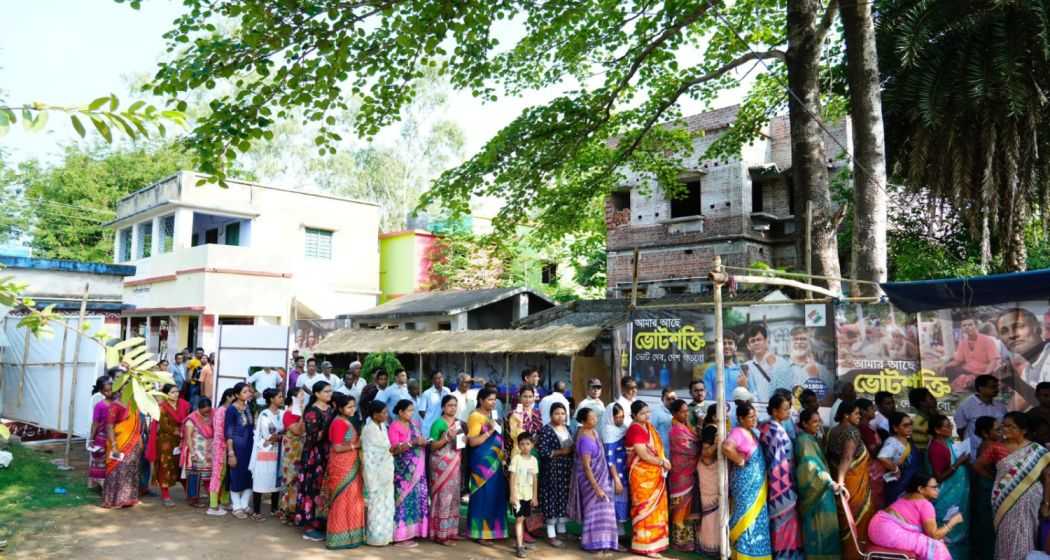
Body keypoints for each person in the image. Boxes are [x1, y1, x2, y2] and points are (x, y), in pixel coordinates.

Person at [994, 411, 1050, 560]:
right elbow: (979, 466)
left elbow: (1047, 476)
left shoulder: (1037, 450)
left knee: (1026, 531)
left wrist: (1046, 503)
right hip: (1004, 498)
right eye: (1004, 426)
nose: (1005, 429)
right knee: (1006, 533)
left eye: (1010, 426)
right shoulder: (998, 448)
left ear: (1023, 430)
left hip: (1029, 499)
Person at [867, 475, 960, 560]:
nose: (938, 490)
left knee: (935, 542)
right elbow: (934, 535)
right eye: (934, 487)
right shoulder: (925, 504)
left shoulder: (905, 496)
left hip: (875, 526)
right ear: (921, 489)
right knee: (936, 547)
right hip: (886, 531)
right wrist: (952, 522)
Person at [723, 402, 773, 559]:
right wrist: (740, 461)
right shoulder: (738, 432)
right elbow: (726, 447)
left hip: (757, 484)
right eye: (750, 417)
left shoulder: (753, 432)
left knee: (758, 517)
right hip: (745, 483)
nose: (754, 419)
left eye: (755, 416)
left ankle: (756, 553)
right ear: (741, 418)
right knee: (745, 516)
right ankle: (742, 554)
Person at [826, 400, 873, 560]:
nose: (860, 416)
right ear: (846, 415)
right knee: (856, 521)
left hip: (841, 481)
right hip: (852, 486)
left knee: (844, 522)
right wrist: (840, 482)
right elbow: (846, 458)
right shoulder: (852, 432)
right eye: (856, 413)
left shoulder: (832, 431)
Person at [794, 408, 843, 560]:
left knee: (827, 532)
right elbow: (810, 467)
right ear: (804, 423)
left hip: (823, 491)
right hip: (817, 494)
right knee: (821, 532)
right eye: (814, 421)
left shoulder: (811, 439)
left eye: (819, 421)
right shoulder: (804, 441)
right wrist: (829, 482)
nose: (819, 424)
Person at [759, 393, 803, 559]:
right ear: (775, 411)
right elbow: (779, 464)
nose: (789, 412)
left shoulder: (767, 426)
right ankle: (785, 555)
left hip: (775, 481)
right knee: (784, 522)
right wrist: (785, 489)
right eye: (785, 409)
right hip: (781, 486)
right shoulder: (776, 431)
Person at [571, 406, 620, 554]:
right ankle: (591, 543)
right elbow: (586, 467)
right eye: (592, 418)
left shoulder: (594, 432)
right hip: (590, 480)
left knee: (606, 510)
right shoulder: (584, 438)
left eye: (595, 417)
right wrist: (597, 488)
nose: (595, 420)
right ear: (584, 421)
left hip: (602, 478)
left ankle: (606, 541)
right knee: (593, 510)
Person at [626, 400, 670, 557]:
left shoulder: (649, 427)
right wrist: (662, 462)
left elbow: (658, 449)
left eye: (648, 412)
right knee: (645, 509)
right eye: (643, 413)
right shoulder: (635, 429)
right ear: (634, 415)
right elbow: (643, 455)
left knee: (656, 509)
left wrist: (663, 460)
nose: (647, 415)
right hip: (642, 476)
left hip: (655, 473)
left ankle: (657, 542)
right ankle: (645, 546)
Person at [467, 387, 509, 542]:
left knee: (495, 494)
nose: (493, 402)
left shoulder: (493, 415)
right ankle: (479, 533)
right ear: (481, 400)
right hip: (482, 462)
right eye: (490, 399)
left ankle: (494, 531)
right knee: (482, 495)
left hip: (496, 461)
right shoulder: (475, 417)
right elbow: (472, 441)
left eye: (494, 399)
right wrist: (490, 430)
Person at [295, 380, 336, 541]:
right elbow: (313, 437)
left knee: (324, 489)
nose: (329, 394)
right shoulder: (312, 411)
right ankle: (309, 526)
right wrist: (327, 430)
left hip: (328, 453)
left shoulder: (331, 409)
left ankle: (321, 522)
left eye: (330, 391)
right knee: (312, 488)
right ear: (317, 394)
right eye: (326, 391)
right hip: (314, 454)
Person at [927, 413, 971, 559]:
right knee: (948, 525)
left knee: (959, 525)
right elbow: (939, 476)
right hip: (947, 496)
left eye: (950, 425)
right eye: (947, 426)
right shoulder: (937, 448)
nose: (951, 427)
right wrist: (958, 463)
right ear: (937, 430)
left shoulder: (949, 442)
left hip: (958, 495)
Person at [325, 393, 365, 549]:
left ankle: (350, 536)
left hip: (351, 463)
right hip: (342, 466)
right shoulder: (339, 423)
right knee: (342, 500)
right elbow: (337, 447)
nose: (353, 409)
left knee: (352, 500)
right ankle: (338, 537)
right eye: (349, 407)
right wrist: (357, 445)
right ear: (340, 408)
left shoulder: (345, 421)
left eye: (354, 406)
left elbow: (347, 441)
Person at [388, 398, 429, 546]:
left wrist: (423, 441)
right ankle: (400, 536)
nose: (412, 413)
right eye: (409, 410)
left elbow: (418, 440)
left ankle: (415, 531)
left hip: (419, 469)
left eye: (413, 410)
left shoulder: (414, 424)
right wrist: (412, 443)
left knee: (417, 498)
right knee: (403, 500)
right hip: (403, 471)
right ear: (400, 412)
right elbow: (394, 449)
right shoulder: (394, 426)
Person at [537, 401, 574, 547]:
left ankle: (562, 530)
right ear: (551, 415)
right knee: (552, 498)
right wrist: (561, 452)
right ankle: (551, 534)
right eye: (557, 413)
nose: (560, 416)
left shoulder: (568, 428)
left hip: (565, 470)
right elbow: (543, 451)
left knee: (563, 498)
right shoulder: (546, 430)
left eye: (563, 413)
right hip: (551, 470)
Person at [147, 383, 189, 507]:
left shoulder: (184, 405)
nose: (175, 394)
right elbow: (164, 425)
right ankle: (166, 495)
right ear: (166, 394)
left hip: (181, 440)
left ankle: (189, 493)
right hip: (165, 440)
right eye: (172, 392)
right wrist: (179, 432)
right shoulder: (161, 407)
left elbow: (187, 420)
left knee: (181, 466)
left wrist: (184, 433)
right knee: (165, 466)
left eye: (177, 391)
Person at [972, 415, 1008, 559]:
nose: (1000, 432)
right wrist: (993, 479)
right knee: (988, 526)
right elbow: (978, 467)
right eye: (997, 430)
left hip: (986, 487)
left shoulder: (989, 444)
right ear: (985, 433)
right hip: (987, 488)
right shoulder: (989, 446)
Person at [428, 394, 462, 546]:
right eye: (449, 405)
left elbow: (461, 445)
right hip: (440, 465)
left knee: (454, 496)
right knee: (443, 496)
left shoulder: (458, 423)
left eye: (455, 405)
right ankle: (440, 534)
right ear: (443, 407)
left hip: (455, 464)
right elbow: (432, 446)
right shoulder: (438, 423)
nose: (453, 408)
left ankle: (451, 531)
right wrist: (447, 438)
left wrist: (462, 440)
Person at [666, 399, 700, 551]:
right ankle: (679, 542)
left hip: (689, 474)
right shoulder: (676, 430)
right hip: (680, 475)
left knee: (688, 508)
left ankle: (688, 542)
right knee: (680, 507)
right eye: (683, 411)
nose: (686, 414)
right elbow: (690, 450)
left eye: (687, 411)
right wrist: (700, 444)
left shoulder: (686, 427)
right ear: (674, 413)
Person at [101, 389, 143, 509]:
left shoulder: (134, 405)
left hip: (133, 443)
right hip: (119, 443)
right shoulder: (115, 405)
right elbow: (109, 426)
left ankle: (129, 498)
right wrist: (114, 445)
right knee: (117, 470)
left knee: (131, 470)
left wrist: (139, 439)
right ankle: (114, 500)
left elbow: (137, 424)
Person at [362, 401, 395, 546]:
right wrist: (393, 449)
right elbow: (371, 453)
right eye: (384, 413)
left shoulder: (382, 427)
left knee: (386, 504)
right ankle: (375, 537)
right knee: (376, 505)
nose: (386, 415)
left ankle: (385, 535)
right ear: (375, 414)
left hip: (386, 471)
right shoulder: (369, 429)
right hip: (375, 473)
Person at [944, 313, 1002, 391]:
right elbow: (958, 360)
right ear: (961, 328)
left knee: (979, 381)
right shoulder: (962, 342)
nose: (967, 327)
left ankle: (971, 383)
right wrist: (945, 366)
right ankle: (967, 383)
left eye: (970, 325)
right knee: (949, 369)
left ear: (976, 326)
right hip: (969, 370)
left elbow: (993, 360)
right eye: (964, 325)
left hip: (985, 372)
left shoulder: (987, 340)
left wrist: (986, 374)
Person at [249, 388, 283, 519]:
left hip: (278, 450)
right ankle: (256, 511)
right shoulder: (264, 414)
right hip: (265, 451)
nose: (281, 399)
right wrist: (280, 435)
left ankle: (274, 508)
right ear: (271, 399)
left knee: (275, 478)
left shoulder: (281, 413)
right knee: (261, 479)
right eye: (279, 396)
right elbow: (268, 435)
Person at [225, 382, 255, 519]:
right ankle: (236, 506)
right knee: (236, 475)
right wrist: (231, 453)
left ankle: (244, 504)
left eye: (248, 391)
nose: (248, 393)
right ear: (236, 395)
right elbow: (229, 433)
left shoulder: (248, 407)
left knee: (249, 474)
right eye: (244, 392)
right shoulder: (231, 410)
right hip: (237, 447)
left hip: (249, 446)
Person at [954, 374, 1006, 453]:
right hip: (974, 451)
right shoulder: (966, 406)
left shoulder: (1001, 406)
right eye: (993, 387)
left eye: (997, 386)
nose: (996, 389)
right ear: (981, 388)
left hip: (997, 451)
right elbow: (960, 430)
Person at [600, 401, 629, 539]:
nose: (620, 420)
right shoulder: (608, 432)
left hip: (624, 469)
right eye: (617, 417)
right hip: (614, 473)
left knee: (622, 500)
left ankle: (621, 533)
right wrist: (616, 479)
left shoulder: (623, 428)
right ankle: (613, 535)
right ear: (610, 417)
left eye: (622, 417)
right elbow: (609, 459)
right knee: (614, 500)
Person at [509, 432, 540, 558]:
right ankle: (520, 546)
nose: (525, 446)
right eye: (522, 444)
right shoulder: (516, 459)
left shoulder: (534, 460)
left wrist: (534, 496)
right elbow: (512, 477)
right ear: (518, 445)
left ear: (532, 445)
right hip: (518, 495)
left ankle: (519, 542)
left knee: (523, 518)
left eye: (528, 444)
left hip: (528, 495)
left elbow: (535, 479)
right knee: (519, 519)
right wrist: (512, 495)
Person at [278, 386, 306, 523]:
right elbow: (297, 431)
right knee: (290, 480)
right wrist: (303, 417)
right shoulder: (289, 414)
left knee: (298, 481)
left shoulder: (299, 413)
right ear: (294, 398)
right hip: (292, 454)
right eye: (301, 395)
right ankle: (286, 511)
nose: (303, 398)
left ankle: (295, 511)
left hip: (300, 451)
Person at [878, 411, 918, 504]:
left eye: (910, 424)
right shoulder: (892, 442)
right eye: (905, 425)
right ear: (895, 428)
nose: (910, 427)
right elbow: (882, 457)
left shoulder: (907, 440)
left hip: (909, 483)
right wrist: (895, 469)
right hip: (898, 485)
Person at [207, 388, 236, 516]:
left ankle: (224, 500)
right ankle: (213, 506)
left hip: (227, 446)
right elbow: (219, 432)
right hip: (220, 447)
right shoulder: (221, 412)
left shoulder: (229, 410)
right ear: (228, 397)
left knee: (226, 475)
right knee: (218, 474)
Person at [181, 397, 214, 508]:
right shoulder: (192, 419)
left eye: (208, 411)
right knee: (194, 477)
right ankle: (193, 500)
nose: (207, 413)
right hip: (195, 452)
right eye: (204, 411)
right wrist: (192, 453)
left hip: (208, 453)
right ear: (199, 409)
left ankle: (212, 499)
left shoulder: (212, 416)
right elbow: (188, 437)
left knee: (208, 476)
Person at [745, 323, 792, 399]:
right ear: (748, 346)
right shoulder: (746, 367)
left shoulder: (781, 363)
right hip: (754, 409)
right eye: (752, 341)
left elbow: (786, 391)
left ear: (766, 341)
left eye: (759, 339)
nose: (756, 343)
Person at [704, 333, 755, 403]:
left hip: (740, 413)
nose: (726, 346)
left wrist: (744, 387)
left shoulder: (743, 371)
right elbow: (707, 400)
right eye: (723, 343)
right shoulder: (710, 372)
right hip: (718, 413)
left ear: (736, 347)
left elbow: (753, 398)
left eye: (730, 343)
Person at [696, 425, 722, 556]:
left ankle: (717, 545)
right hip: (709, 488)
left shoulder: (716, 446)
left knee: (717, 516)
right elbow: (707, 455)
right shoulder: (707, 448)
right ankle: (709, 546)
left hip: (716, 487)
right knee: (710, 517)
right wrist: (716, 444)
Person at [787, 327, 831, 401]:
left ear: (810, 343)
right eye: (795, 339)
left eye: (803, 339)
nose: (799, 342)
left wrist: (815, 377)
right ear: (790, 343)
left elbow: (829, 399)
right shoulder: (781, 368)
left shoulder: (822, 369)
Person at [856, 398, 884, 509]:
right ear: (863, 411)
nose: (874, 411)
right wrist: (886, 446)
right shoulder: (865, 429)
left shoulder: (867, 427)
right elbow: (873, 451)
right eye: (871, 408)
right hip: (872, 471)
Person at [88, 378, 114, 490]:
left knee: (111, 460)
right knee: (100, 461)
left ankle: (109, 484)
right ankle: (101, 485)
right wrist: (91, 439)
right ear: (102, 392)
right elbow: (95, 423)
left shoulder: (117, 404)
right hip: (101, 437)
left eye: (111, 390)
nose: (110, 392)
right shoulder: (99, 405)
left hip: (113, 436)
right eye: (107, 391)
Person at [507, 384, 542, 462]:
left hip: (535, 451)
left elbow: (540, 432)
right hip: (519, 451)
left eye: (530, 396)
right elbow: (513, 436)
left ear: (534, 398)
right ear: (520, 397)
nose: (528, 399)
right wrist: (520, 422)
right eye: (525, 396)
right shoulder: (515, 414)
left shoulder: (537, 413)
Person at [419, 370, 451, 437]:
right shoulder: (427, 393)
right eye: (437, 378)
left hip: (444, 424)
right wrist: (429, 419)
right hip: (430, 426)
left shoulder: (447, 391)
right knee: (431, 445)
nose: (440, 380)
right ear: (433, 381)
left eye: (441, 377)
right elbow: (421, 410)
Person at [908, 387, 937, 452]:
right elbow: (922, 449)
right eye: (931, 398)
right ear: (922, 403)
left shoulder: (930, 417)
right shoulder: (919, 423)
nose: (935, 399)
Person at [651, 388, 676, 452]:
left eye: (673, 399)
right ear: (662, 399)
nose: (671, 401)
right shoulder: (656, 413)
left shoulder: (679, 412)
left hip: (676, 451)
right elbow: (651, 432)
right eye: (668, 399)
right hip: (662, 451)